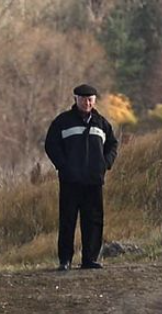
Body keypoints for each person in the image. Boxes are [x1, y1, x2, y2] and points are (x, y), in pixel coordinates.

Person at [44, 83, 118, 270]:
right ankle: (65, 260)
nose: (87, 103)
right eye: (84, 99)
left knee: (93, 220)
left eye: (90, 99)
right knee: (68, 220)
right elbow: (51, 145)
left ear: (94, 100)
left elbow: (112, 145)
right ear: (76, 99)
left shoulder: (101, 123)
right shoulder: (63, 121)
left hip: (93, 181)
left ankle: (90, 259)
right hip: (70, 181)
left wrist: (105, 164)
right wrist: (64, 166)